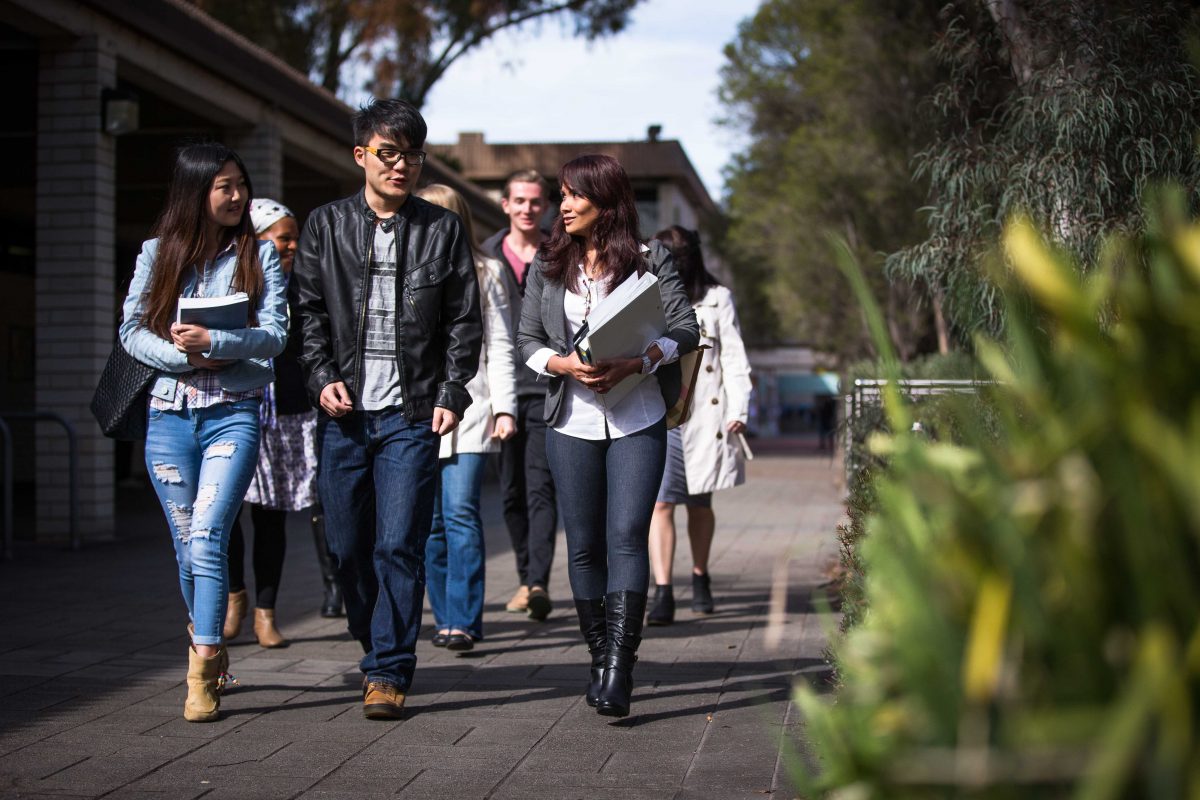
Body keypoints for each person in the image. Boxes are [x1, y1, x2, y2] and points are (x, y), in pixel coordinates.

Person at [292, 99, 482, 720]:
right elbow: (310, 313)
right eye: (389, 153)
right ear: (361, 156)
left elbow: (462, 319)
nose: (401, 166)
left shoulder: (441, 227)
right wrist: (320, 376)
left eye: (413, 156)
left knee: (399, 544)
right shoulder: (324, 224)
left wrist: (453, 393)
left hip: (411, 413)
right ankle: (374, 636)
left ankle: (388, 669)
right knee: (347, 549)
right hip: (344, 416)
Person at [516, 154, 699, 718]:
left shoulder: (649, 259)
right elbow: (526, 342)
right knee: (586, 543)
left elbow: (685, 329)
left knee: (626, 536)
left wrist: (638, 361)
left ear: (606, 200)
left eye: (575, 195)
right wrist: (564, 366)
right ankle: (598, 657)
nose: (563, 206)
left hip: (636, 416)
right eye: (562, 195)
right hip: (569, 421)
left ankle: (620, 668)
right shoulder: (547, 263)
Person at [119, 142, 287, 722]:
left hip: (233, 414)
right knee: (188, 547)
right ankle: (210, 652)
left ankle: (202, 668)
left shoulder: (259, 256)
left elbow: (274, 337)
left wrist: (217, 343)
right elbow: (130, 333)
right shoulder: (156, 254)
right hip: (168, 419)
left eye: (241, 183)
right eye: (225, 186)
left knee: (211, 536)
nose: (238, 195)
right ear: (197, 192)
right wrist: (182, 356)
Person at [222, 199, 336, 651]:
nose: (290, 245)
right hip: (236, 407)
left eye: (293, 237)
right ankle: (235, 597)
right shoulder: (231, 284)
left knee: (271, 518)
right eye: (281, 236)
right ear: (256, 237)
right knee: (225, 511)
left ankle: (266, 613)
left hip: (286, 416)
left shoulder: (302, 287)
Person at [417, 184, 518, 653]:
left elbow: (499, 344)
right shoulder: (407, 267)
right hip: (417, 411)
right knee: (431, 522)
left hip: (473, 409)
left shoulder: (489, 270)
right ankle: (442, 616)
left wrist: (504, 408)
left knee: (460, 513)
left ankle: (464, 620)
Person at [645, 226, 753, 626]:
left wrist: (738, 408)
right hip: (662, 412)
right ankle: (663, 590)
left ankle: (700, 576)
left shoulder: (717, 298)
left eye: (678, 253)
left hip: (705, 415)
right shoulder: (646, 297)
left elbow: (735, 358)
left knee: (700, 503)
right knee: (660, 503)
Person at [481, 170, 558, 620]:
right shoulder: (486, 254)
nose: (528, 208)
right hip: (501, 392)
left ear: (545, 206)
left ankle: (536, 582)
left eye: (536, 201)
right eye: (520, 201)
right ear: (506, 205)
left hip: (548, 387)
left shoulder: (559, 253)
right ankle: (526, 574)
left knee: (541, 489)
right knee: (510, 492)